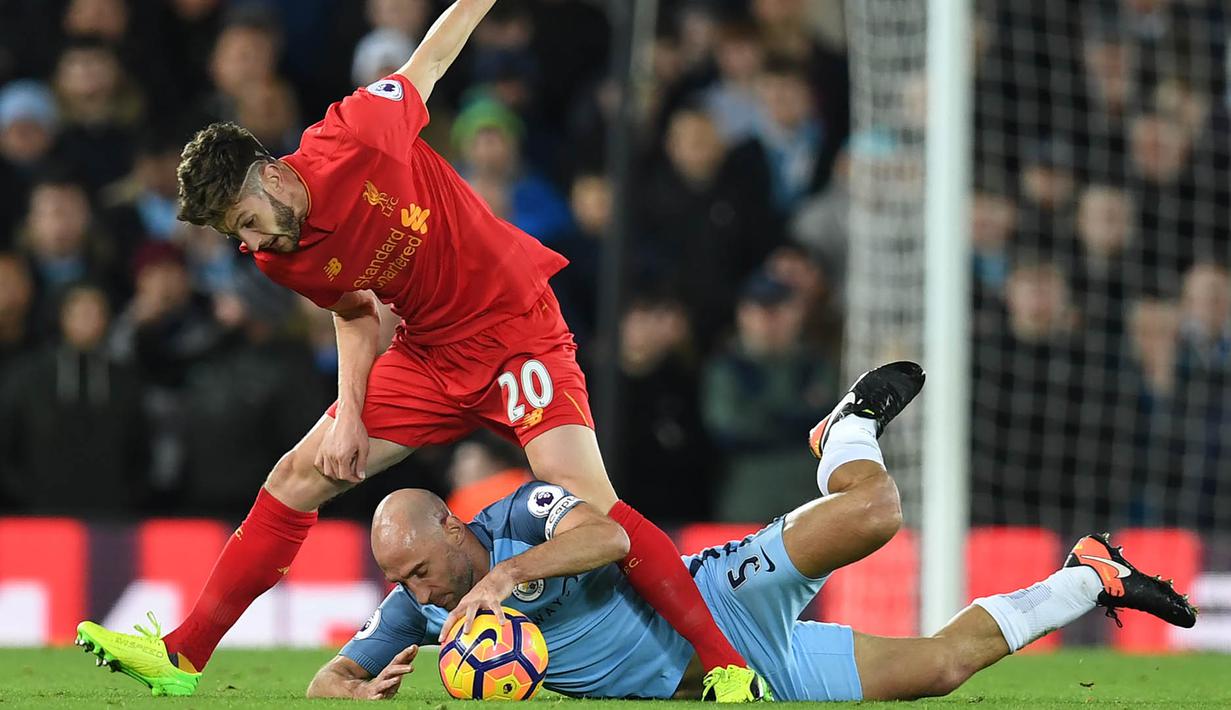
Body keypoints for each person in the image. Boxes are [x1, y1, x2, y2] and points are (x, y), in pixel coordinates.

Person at [74, 1, 763, 700]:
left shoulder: (357, 133)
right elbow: (353, 311)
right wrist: (349, 411)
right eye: (235, 237)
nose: (249, 246)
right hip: (428, 354)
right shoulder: (279, 257)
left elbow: (430, 57)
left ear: (274, 177)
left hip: (512, 331)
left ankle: (726, 667)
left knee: (593, 509)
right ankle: (183, 656)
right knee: (295, 478)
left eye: (246, 224)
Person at [305, 362, 1197, 701]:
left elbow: (609, 538)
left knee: (873, 513)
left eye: (422, 570)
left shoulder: (512, 519)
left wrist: (506, 580)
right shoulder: (418, 611)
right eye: (405, 582)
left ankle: (840, 434)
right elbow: (326, 678)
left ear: (453, 531)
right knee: (939, 669)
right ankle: (1088, 576)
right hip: (735, 682)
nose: (419, 593)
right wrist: (348, 691)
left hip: (712, 599)